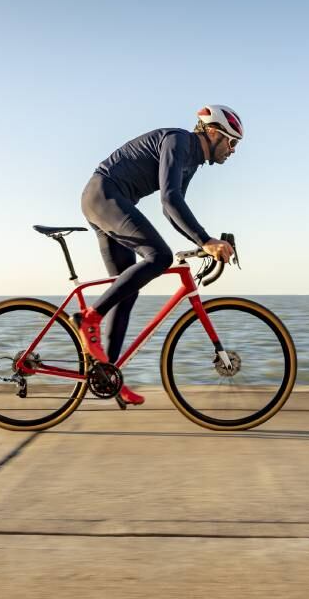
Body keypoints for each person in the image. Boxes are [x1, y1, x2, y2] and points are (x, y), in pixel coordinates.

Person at [76, 105, 243, 405]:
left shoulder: (191, 161)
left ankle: (108, 377)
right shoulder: (179, 141)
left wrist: (200, 242)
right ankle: (90, 318)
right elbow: (169, 200)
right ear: (214, 132)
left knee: (126, 292)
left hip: (107, 200)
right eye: (232, 142)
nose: (233, 150)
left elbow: (174, 210)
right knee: (159, 257)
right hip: (104, 194)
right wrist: (205, 240)